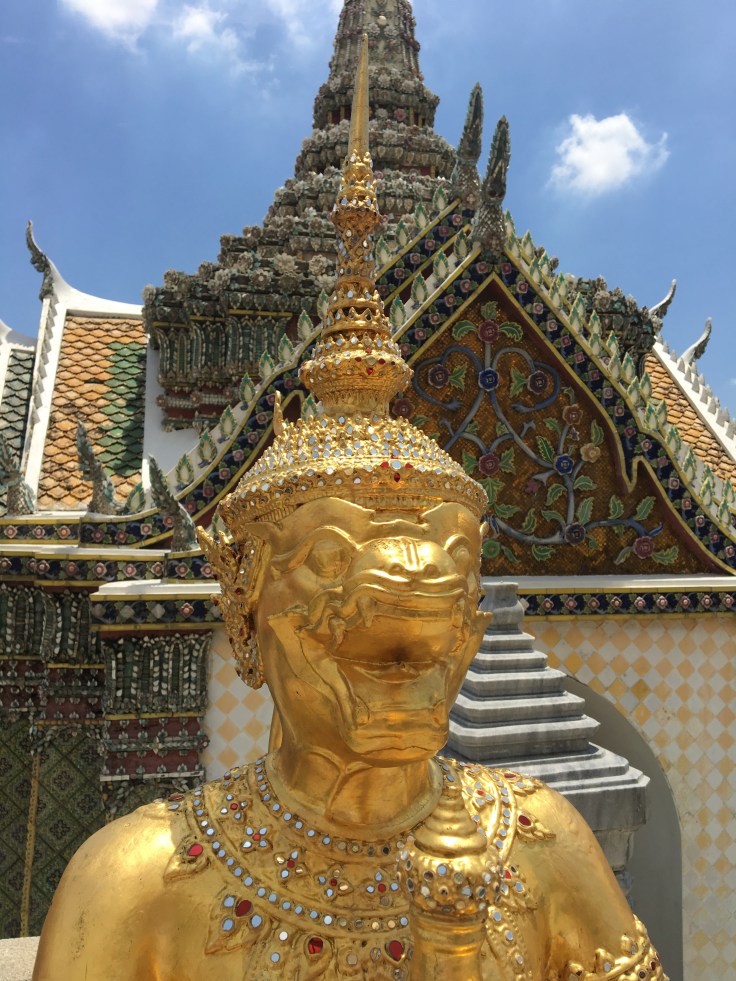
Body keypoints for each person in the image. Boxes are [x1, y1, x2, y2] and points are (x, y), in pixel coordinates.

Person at [33, 36, 666, 981]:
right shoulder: (134, 887)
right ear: (243, 614)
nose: (414, 589)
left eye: (451, 561)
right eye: (331, 556)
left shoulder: (543, 844)